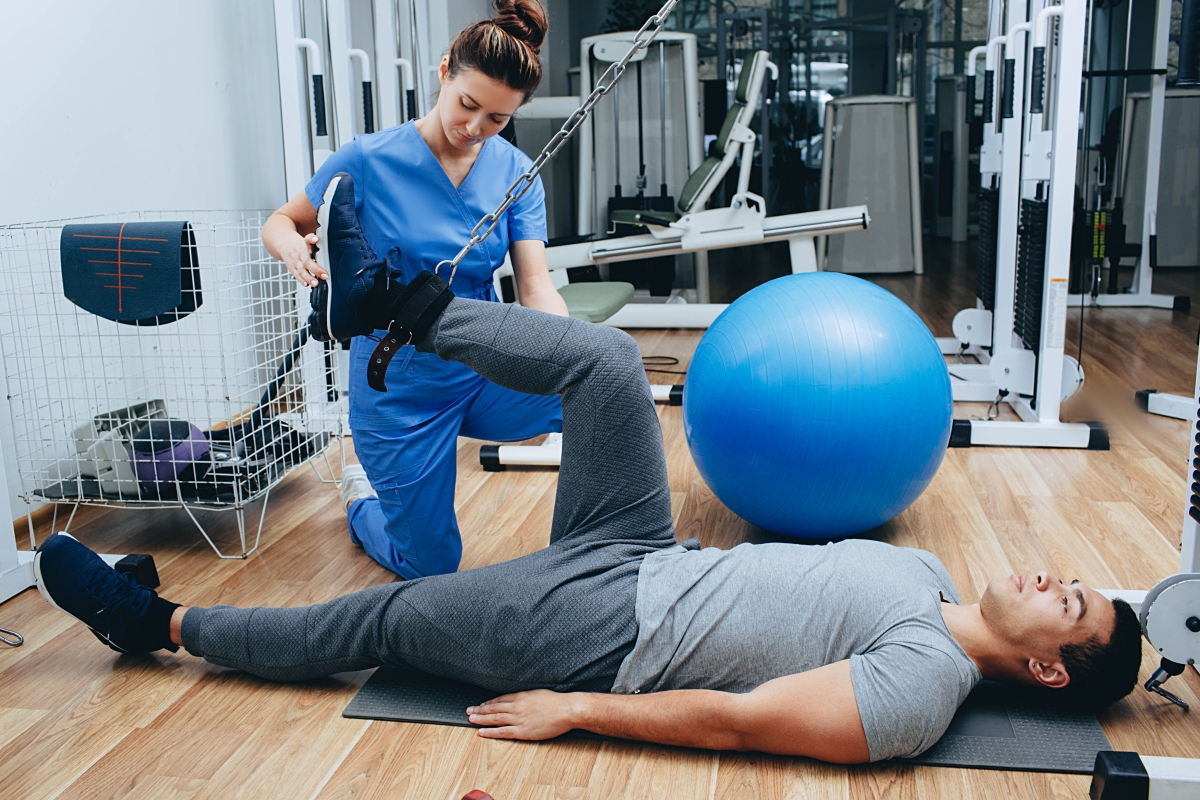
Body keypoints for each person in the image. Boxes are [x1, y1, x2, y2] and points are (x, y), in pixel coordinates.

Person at [35, 206, 1144, 763]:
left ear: (1047, 666)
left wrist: (580, 707)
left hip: (604, 630)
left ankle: (158, 619)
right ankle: (395, 311)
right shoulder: (926, 570)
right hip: (648, 552)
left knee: (387, 616)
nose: (1055, 578)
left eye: (1072, 601)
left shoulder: (919, 690)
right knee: (609, 364)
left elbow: (743, 721)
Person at [260, 0, 569, 580]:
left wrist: (573, 352)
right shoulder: (367, 158)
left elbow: (537, 288)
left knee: (602, 396)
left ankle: (593, 557)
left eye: (496, 119)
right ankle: (361, 503)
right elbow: (281, 220)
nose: (474, 128)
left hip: (484, 366)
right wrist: (293, 247)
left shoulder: (516, 173)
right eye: (468, 104)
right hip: (397, 382)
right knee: (431, 566)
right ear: (445, 70)